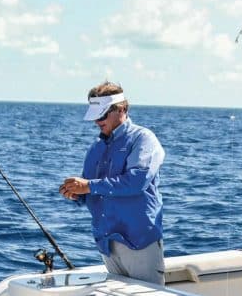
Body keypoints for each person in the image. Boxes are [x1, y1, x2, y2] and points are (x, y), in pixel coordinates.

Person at [59, 82, 166, 284]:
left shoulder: (143, 139)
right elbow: (90, 191)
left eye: (103, 114)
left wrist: (89, 186)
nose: (98, 121)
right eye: (95, 115)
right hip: (106, 243)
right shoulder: (95, 149)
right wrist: (76, 194)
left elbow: (137, 182)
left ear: (122, 109)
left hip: (139, 242)